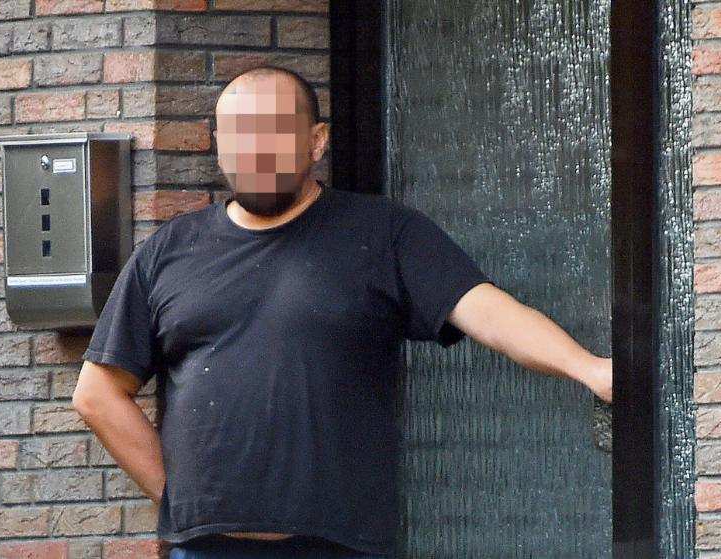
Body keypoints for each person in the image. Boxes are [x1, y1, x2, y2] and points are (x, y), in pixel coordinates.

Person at [72, 65, 613, 559]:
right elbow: (97, 393)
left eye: (273, 131)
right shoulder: (169, 251)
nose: (254, 149)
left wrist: (587, 368)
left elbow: (489, 312)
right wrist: (178, 499)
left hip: (340, 545)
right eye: (238, 133)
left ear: (316, 141)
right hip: (205, 551)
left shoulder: (382, 234)